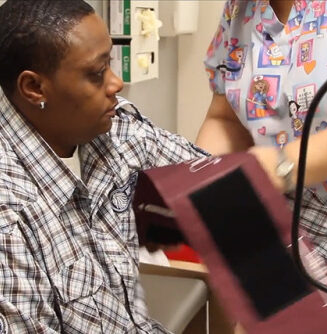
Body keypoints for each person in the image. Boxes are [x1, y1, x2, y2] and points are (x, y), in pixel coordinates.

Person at [0, 0, 208, 332]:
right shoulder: (9, 218)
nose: (116, 84)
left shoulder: (112, 125)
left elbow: (214, 181)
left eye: (109, 63)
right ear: (35, 87)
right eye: (97, 74)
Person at [197, 0, 327, 266]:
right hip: (288, 238)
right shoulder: (239, 9)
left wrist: (284, 167)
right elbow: (226, 119)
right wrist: (199, 189)